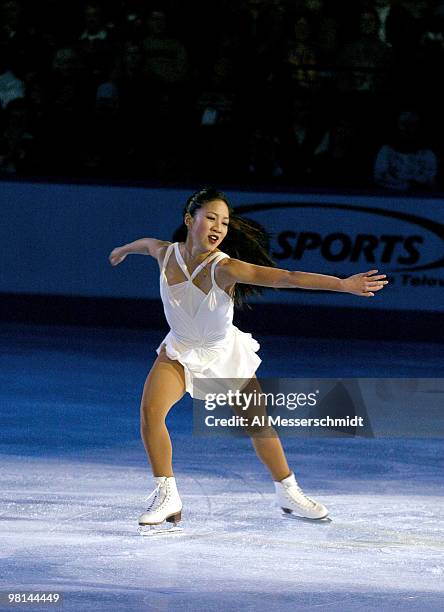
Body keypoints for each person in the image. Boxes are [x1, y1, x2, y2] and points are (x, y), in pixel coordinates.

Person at [108, 188, 389, 533]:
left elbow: (287, 278)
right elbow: (146, 243)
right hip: (179, 351)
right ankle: (167, 494)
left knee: (259, 425)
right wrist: (124, 249)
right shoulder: (165, 254)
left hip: (224, 355)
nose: (218, 227)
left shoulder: (225, 268)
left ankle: (288, 491)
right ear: (188, 221)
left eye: (224, 222)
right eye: (210, 218)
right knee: (151, 412)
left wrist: (342, 285)